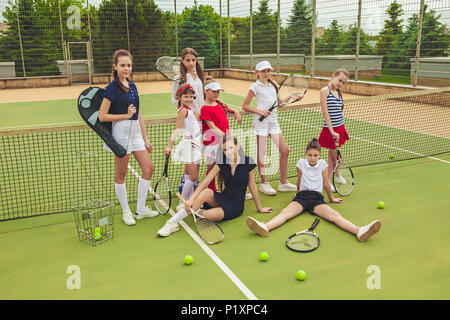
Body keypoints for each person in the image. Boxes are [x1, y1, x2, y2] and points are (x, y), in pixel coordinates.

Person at [245, 138, 381, 242]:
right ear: (306, 154)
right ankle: (265, 227)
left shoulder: (322, 164)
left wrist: (331, 198)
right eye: (310, 155)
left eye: (315, 155)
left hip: (317, 199)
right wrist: (297, 194)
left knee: (334, 215)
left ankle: (359, 231)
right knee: (285, 213)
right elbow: (299, 180)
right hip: (302, 197)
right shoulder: (301, 163)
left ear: (319, 155)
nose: (312, 158)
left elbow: (326, 183)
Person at [157, 134, 273, 237]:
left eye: (231, 148)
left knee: (207, 215)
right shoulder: (222, 162)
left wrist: (260, 208)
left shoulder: (249, 162)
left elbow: (252, 187)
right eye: (225, 150)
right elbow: (206, 182)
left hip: (236, 206)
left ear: (237, 146)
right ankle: (172, 222)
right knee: (206, 192)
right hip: (223, 197)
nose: (228, 152)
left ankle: (196, 210)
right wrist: (191, 199)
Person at [99, 49, 159, 226]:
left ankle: (140, 210)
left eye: (129, 65)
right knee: (121, 173)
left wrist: (145, 137)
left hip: (136, 134)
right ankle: (126, 211)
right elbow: (102, 116)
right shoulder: (111, 88)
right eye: (122, 65)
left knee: (148, 168)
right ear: (115, 66)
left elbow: (138, 112)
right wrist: (125, 116)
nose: (126, 68)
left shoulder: (132, 86)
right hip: (121, 133)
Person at [241, 60, 302, 196]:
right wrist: (260, 112)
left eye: (268, 70)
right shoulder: (254, 87)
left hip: (273, 123)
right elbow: (244, 106)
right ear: (257, 72)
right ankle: (264, 183)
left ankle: (283, 183)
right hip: (261, 123)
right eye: (263, 71)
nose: (267, 73)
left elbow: (278, 104)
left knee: (285, 150)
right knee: (262, 154)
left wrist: (290, 97)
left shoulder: (274, 85)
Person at [171, 48, 205, 196]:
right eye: (187, 60)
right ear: (182, 61)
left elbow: (204, 97)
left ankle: (186, 185)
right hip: (190, 122)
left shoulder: (200, 77)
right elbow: (174, 100)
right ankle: (189, 188)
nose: (191, 63)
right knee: (192, 158)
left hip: (203, 120)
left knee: (195, 158)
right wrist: (188, 110)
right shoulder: (179, 78)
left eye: (193, 60)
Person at [165, 83, 202, 210]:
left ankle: (187, 198)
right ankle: (183, 200)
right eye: (186, 96)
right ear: (180, 97)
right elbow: (177, 129)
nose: (189, 99)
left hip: (195, 144)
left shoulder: (190, 111)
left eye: (191, 97)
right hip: (189, 145)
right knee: (194, 176)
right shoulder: (184, 111)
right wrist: (169, 146)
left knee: (187, 173)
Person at [201, 76, 242, 192]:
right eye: (214, 91)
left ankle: (231, 190)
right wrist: (226, 136)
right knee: (211, 169)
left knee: (229, 167)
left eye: (218, 91)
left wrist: (236, 111)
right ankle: (210, 191)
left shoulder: (219, 103)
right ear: (206, 91)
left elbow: (229, 109)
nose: (217, 94)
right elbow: (212, 127)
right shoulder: (205, 109)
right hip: (213, 144)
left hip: (225, 143)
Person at [319, 68, 350, 192]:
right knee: (337, 158)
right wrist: (332, 131)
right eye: (339, 80)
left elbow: (338, 112)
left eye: (343, 82)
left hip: (340, 128)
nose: (340, 84)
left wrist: (338, 129)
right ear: (333, 76)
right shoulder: (324, 91)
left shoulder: (338, 92)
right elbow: (325, 113)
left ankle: (335, 176)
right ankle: (328, 180)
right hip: (330, 130)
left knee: (332, 157)